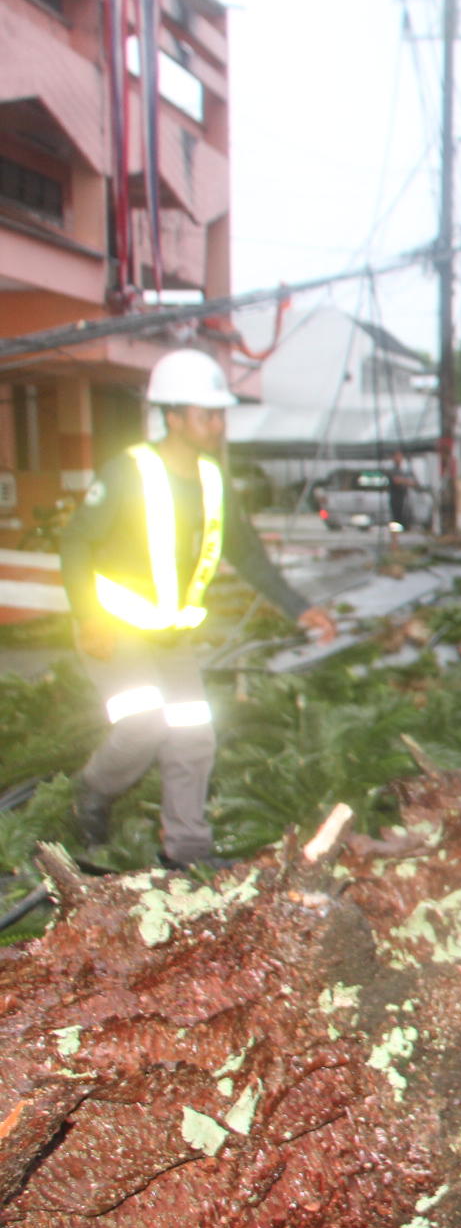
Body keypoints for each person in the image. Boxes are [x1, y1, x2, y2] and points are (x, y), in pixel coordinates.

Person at [60, 349, 337, 871]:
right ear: (174, 416)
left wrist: (299, 608)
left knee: (193, 735)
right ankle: (91, 794)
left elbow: (247, 553)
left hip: (170, 639)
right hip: (113, 631)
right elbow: (74, 545)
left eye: (220, 414)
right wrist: (89, 616)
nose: (217, 425)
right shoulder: (129, 472)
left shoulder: (212, 481)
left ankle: (187, 853)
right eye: (207, 415)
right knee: (143, 724)